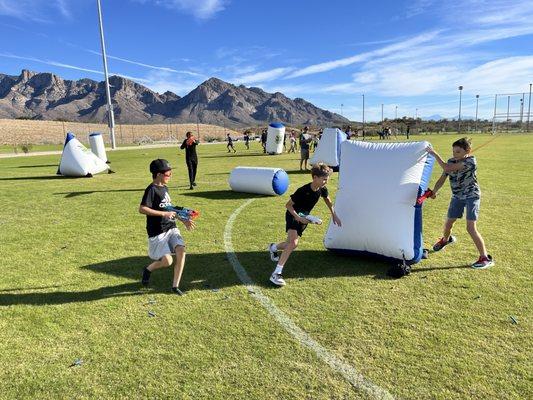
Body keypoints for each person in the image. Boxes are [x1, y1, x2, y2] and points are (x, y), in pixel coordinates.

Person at [267, 163, 342, 286]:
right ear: (315, 177)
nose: (326, 182)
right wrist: (298, 218)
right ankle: (276, 274)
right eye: (324, 179)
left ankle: (273, 247)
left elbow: (328, 200)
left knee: (290, 244)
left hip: (304, 216)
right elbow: (288, 205)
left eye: (327, 179)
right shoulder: (303, 190)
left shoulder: (322, 189)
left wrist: (334, 214)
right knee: (293, 243)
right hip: (293, 215)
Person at [426, 138, 494, 269]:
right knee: (448, 223)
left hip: (471, 196)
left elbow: (446, 167)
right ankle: (446, 240)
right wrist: (434, 191)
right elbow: (442, 178)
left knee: (470, 228)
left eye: (457, 151)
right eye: (453, 151)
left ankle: (485, 258)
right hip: (457, 196)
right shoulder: (452, 161)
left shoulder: (470, 161)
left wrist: (434, 154)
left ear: (467, 151)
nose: (454, 154)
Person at [139, 159, 196, 295]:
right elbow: (142, 209)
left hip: (171, 227)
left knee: (181, 250)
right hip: (157, 232)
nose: (170, 176)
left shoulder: (165, 188)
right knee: (167, 261)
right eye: (168, 174)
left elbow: (169, 208)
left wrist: (182, 219)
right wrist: (163, 214)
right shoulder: (151, 189)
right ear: (158, 174)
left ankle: (175, 286)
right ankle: (148, 270)